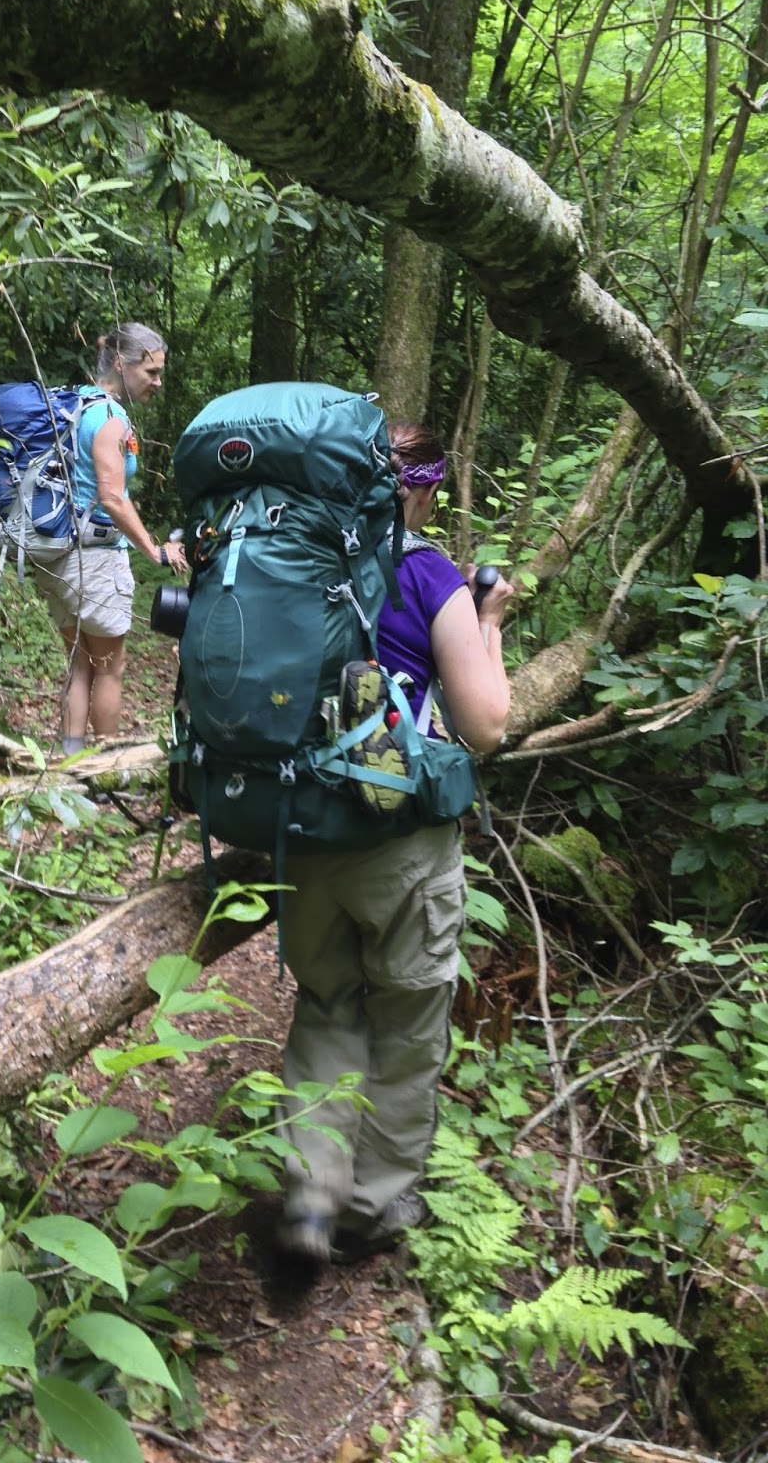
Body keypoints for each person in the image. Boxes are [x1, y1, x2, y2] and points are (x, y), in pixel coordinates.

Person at [275, 420, 514, 1266]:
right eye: (432, 481)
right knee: (409, 1026)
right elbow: (485, 725)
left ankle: (309, 1193)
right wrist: (487, 623)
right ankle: (371, 1208)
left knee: (328, 1003)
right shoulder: (428, 574)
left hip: (297, 834)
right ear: (413, 488)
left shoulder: (285, 560)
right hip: (398, 844)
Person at [33, 323, 188, 757]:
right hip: (95, 559)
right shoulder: (110, 417)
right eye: (151, 371)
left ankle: (70, 763)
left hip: (58, 553)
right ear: (121, 363)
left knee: (79, 665)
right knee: (110, 669)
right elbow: (113, 498)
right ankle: (104, 769)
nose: (157, 382)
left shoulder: (75, 404)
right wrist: (154, 550)